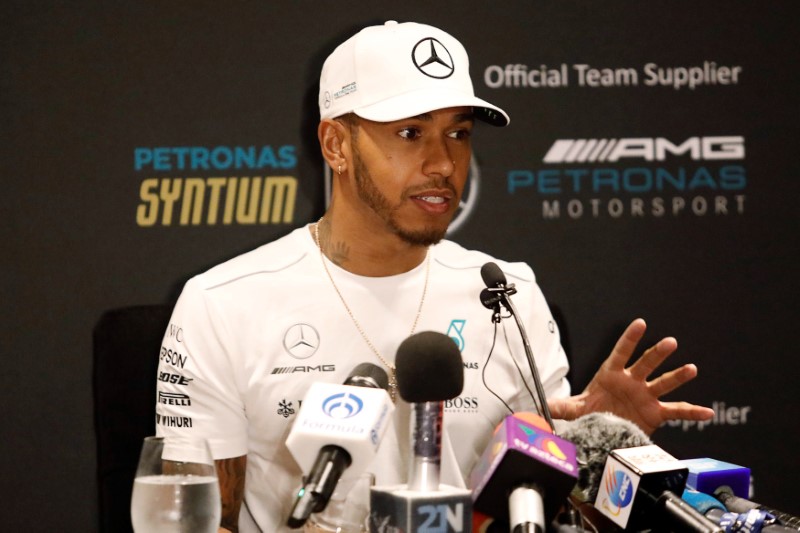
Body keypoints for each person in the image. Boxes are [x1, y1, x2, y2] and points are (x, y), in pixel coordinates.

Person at [154, 21, 714, 532]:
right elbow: (193, 525)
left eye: (459, 133)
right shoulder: (222, 303)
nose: (444, 163)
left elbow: (548, 512)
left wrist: (598, 454)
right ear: (335, 145)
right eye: (409, 133)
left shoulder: (507, 293)